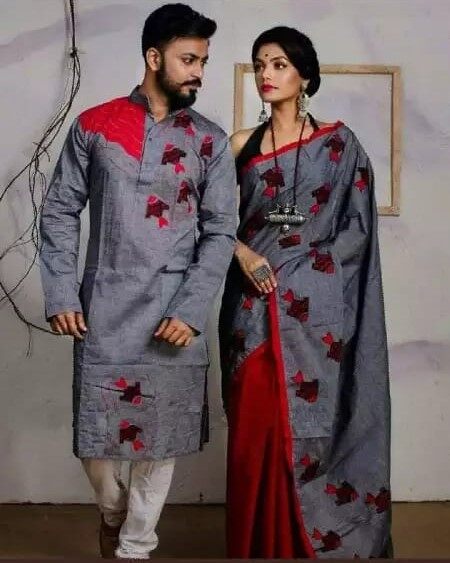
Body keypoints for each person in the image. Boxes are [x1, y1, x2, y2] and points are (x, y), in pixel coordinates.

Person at [39, 3, 237, 558]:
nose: (199, 72)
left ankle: (135, 546)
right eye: (189, 59)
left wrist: (190, 310)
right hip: (104, 308)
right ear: (154, 58)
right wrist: (61, 292)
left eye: (203, 61)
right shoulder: (95, 126)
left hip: (174, 313)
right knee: (96, 440)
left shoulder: (209, 140)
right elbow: (59, 210)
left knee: (160, 440)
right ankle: (113, 512)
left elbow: (221, 231)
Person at [219, 26, 391, 559]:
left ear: (305, 76)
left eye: (279, 65)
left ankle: (306, 544)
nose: (266, 75)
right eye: (260, 65)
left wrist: (300, 271)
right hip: (252, 308)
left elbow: (357, 231)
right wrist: (243, 253)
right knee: (254, 430)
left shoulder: (340, 145)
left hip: (314, 316)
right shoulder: (240, 145)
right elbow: (211, 222)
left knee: (311, 427)